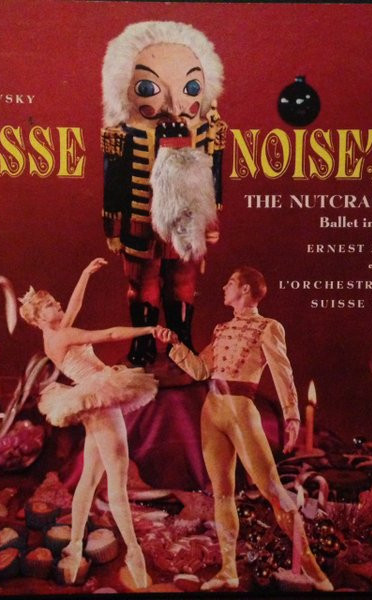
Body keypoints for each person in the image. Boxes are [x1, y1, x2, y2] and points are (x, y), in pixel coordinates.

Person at [154, 267, 333, 592]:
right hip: (212, 411)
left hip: (241, 412)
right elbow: (200, 370)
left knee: (273, 491)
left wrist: (292, 415)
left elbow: (282, 372)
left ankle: (313, 569)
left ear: (247, 289)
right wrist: (175, 345)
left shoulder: (268, 327)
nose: (224, 286)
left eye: (231, 282)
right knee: (222, 493)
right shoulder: (221, 329)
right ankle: (228, 570)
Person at [19, 258, 157, 588]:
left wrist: (84, 274)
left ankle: (75, 544)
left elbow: (74, 306)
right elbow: (109, 333)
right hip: (99, 398)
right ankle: (134, 553)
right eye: (50, 305)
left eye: (55, 301)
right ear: (39, 319)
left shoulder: (53, 336)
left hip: (92, 399)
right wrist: (149, 329)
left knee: (90, 478)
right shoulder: (64, 335)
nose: (58, 304)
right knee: (117, 482)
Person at [101, 21, 227, 366]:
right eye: (149, 87)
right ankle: (143, 342)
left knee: (184, 280)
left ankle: (180, 341)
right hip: (139, 219)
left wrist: (210, 220)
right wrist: (113, 228)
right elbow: (114, 183)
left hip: (187, 222)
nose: (174, 102)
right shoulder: (123, 134)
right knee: (143, 281)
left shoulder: (208, 130)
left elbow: (214, 177)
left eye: (190, 87)